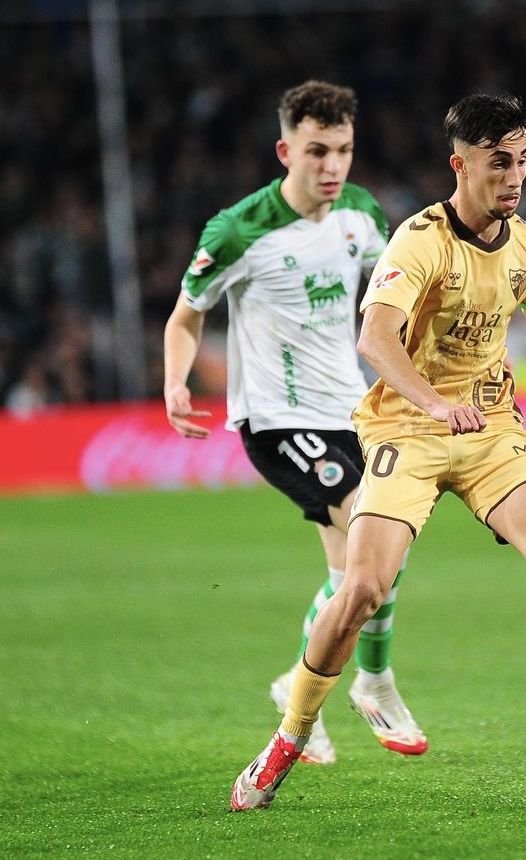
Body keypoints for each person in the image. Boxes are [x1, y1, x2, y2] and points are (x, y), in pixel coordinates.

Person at [231, 93, 526, 811]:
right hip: (407, 428)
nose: (513, 178)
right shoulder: (419, 241)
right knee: (362, 589)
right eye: (497, 164)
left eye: (521, 162)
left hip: (488, 426)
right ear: (461, 165)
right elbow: (375, 338)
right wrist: (430, 402)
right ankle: (288, 738)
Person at [163, 81, 427, 764]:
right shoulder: (239, 230)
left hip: (350, 415)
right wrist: (174, 380)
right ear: (286, 151)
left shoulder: (363, 215)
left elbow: (393, 298)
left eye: (342, 149)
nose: (332, 165)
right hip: (277, 422)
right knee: (378, 531)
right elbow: (187, 313)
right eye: (317, 151)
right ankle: (374, 680)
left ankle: (296, 681)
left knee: (361, 579)